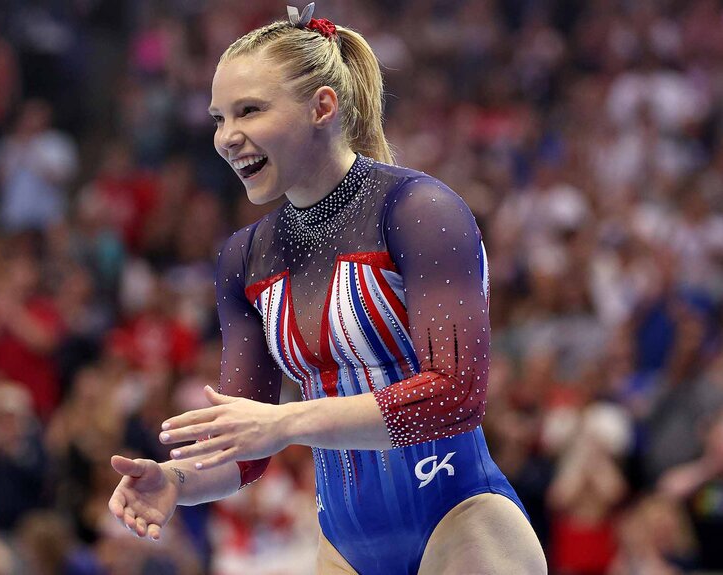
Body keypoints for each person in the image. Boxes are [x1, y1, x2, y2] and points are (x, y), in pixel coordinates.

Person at [109, 4, 546, 574]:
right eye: (219, 118)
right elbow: (249, 446)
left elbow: (455, 398)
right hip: (344, 547)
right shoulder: (244, 257)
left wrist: (287, 423)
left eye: (249, 111)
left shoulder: (418, 210)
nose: (226, 137)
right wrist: (177, 480)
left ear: (322, 106)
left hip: (462, 523)